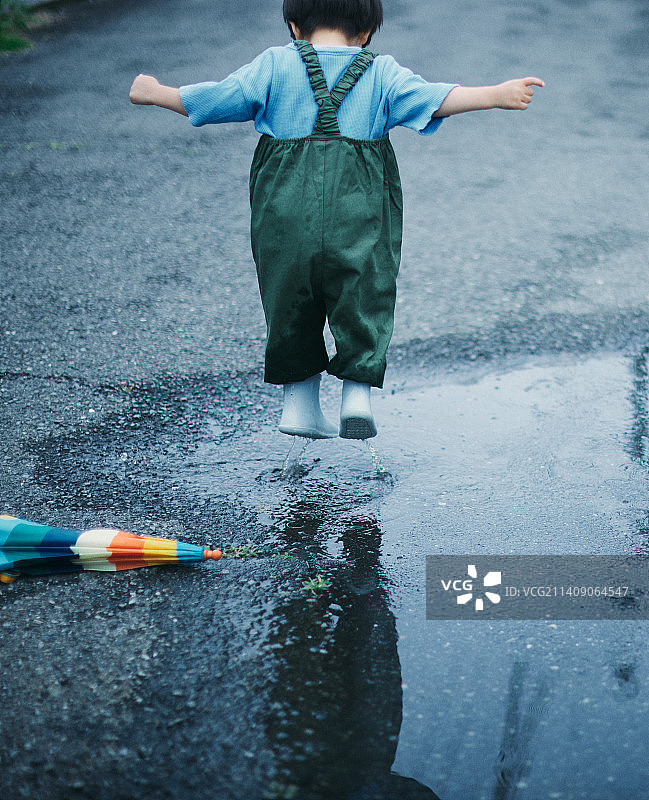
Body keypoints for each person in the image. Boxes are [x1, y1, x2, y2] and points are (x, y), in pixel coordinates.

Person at [129, 0, 543, 441]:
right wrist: (495, 95)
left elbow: (217, 99)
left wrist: (158, 92)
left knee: (289, 294)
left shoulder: (274, 64)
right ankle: (357, 396)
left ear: (294, 26)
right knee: (365, 289)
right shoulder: (382, 72)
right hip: (359, 206)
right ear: (366, 32)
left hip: (284, 205)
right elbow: (434, 98)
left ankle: (299, 405)